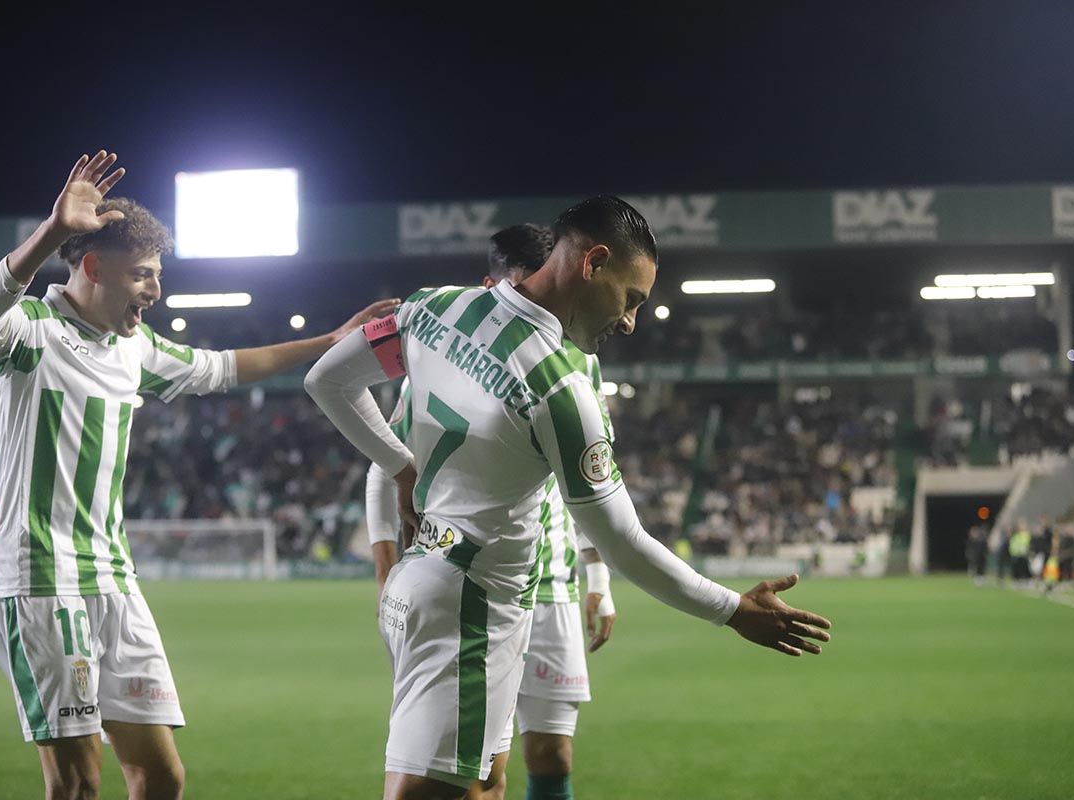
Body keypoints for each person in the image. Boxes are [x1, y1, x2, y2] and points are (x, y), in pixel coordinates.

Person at [306, 195, 832, 800]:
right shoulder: (559, 386)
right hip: (473, 605)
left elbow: (327, 379)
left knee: (483, 787)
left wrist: (400, 467)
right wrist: (734, 610)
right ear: (595, 262)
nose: (631, 320)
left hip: (421, 578)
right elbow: (624, 541)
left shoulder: (435, 306)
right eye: (631, 299)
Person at [0, 151, 397, 800]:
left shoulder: (135, 348)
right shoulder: (30, 332)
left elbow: (224, 367)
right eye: (141, 275)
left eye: (156, 275)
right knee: (79, 785)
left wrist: (329, 339)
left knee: (162, 776)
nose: (155, 291)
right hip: (40, 580)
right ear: (91, 266)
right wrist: (52, 230)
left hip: (114, 580)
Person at [365, 224, 617, 800]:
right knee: (472, 773)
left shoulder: (579, 362)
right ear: (493, 285)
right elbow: (383, 461)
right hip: (470, 579)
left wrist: (598, 577)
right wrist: (384, 569)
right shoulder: (449, 346)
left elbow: (595, 488)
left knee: (548, 752)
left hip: (548, 585)